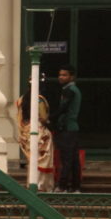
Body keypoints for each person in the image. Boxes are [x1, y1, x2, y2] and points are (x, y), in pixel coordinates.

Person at [15, 81, 55, 192]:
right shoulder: (39, 99)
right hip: (39, 131)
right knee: (43, 160)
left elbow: (19, 117)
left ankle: (31, 184)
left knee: (32, 160)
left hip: (26, 131)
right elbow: (43, 117)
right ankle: (42, 186)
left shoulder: (20, 100)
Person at [51, 64, 82, 193]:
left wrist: (49, 118)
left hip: (67, 129)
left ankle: (62, 186)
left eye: (64, 75)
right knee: (74, 159)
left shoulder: (69, 90)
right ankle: (75, 187)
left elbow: (64, 109)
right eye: (60, 75)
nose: (61, 77)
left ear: (72, 76)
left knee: (67, 159)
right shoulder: (74, 89)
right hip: (73, 128)